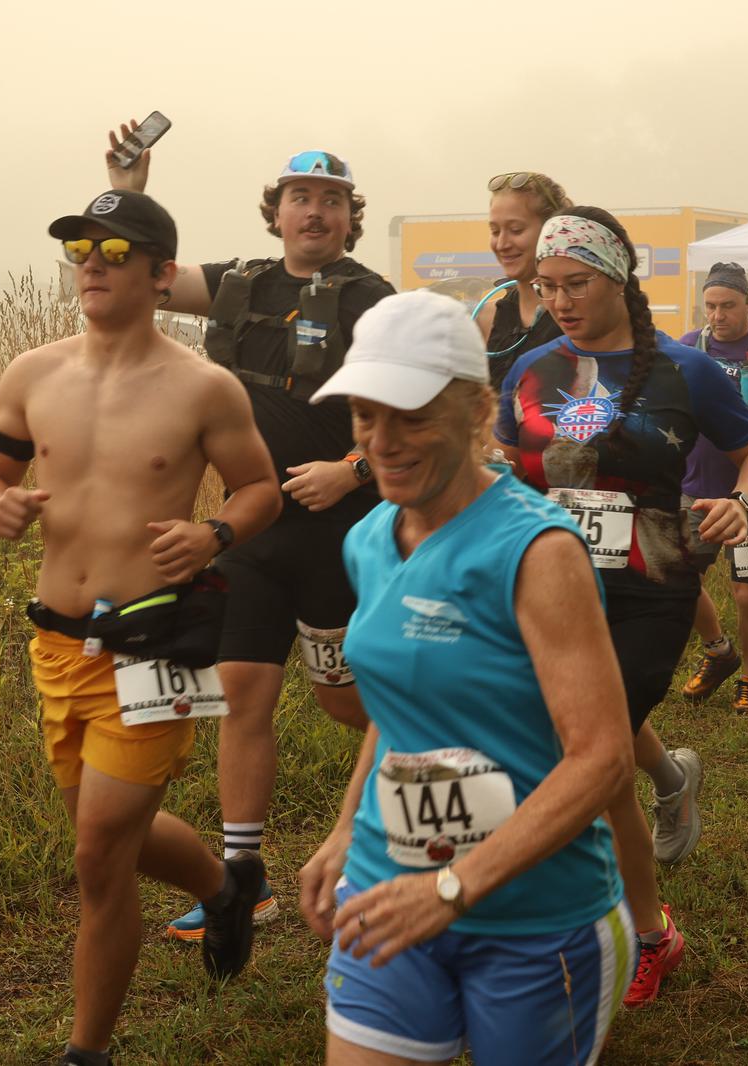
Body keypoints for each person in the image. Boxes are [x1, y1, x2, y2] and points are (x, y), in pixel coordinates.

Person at [0, 191, 283, 1064]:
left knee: (100, 856)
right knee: (108, 835)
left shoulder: (203, 386)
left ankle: (85, 1051)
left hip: (154, 643)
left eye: (113, 247)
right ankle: (227, 887)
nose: (93, 262)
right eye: (80, 249)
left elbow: (260, 489)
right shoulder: (33, 371)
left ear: (161, 272)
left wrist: (212, 532)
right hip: (58, 645)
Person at [296, 290, 635, 1065]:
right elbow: (396, 704)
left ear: (478, 410)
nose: (382, 441)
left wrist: (454, 888)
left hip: (535, 921)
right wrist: (349, 828)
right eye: (364, 415)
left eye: (411, 416)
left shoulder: (539, 551)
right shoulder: (369, 539)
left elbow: (602, 757)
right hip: (388, 898)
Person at [103, 125, 395, 939]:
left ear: (348, 218)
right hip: (250, 532)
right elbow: (128, 272)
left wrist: (353, 470)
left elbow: (418, 409)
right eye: (301, 197)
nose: (316, 212)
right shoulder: (237, 283)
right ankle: (245, 879)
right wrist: (130, 188)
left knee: (349, 705)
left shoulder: (374, 299)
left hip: (343, 533)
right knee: (242, 697)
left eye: (332, 201)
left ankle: (397, 824)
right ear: (276, 212)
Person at [495, 208, 748, 1006]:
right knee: (600, 760)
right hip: (547, 586)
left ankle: (561, 935)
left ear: (618, 275)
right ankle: (653, 930)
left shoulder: (684, 371)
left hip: (650, 588)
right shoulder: (533, 366)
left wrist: (744, 506)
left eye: (576, 283)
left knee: (582, 754)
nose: (560, 300)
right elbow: (503, 466)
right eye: (547, 286)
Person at [677, 262, 748, 713]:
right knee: (678, 579)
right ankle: (719, 651)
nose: (717, 315)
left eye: (727, 305)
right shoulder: (690, 347)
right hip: (694, 489)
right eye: (710, 306)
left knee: (747, 592)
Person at [474, 172, 574, 388]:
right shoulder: (486, 320)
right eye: (495, 231)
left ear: (550, 231)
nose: (502, 243)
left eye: (516, 230)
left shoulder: (574, 314)